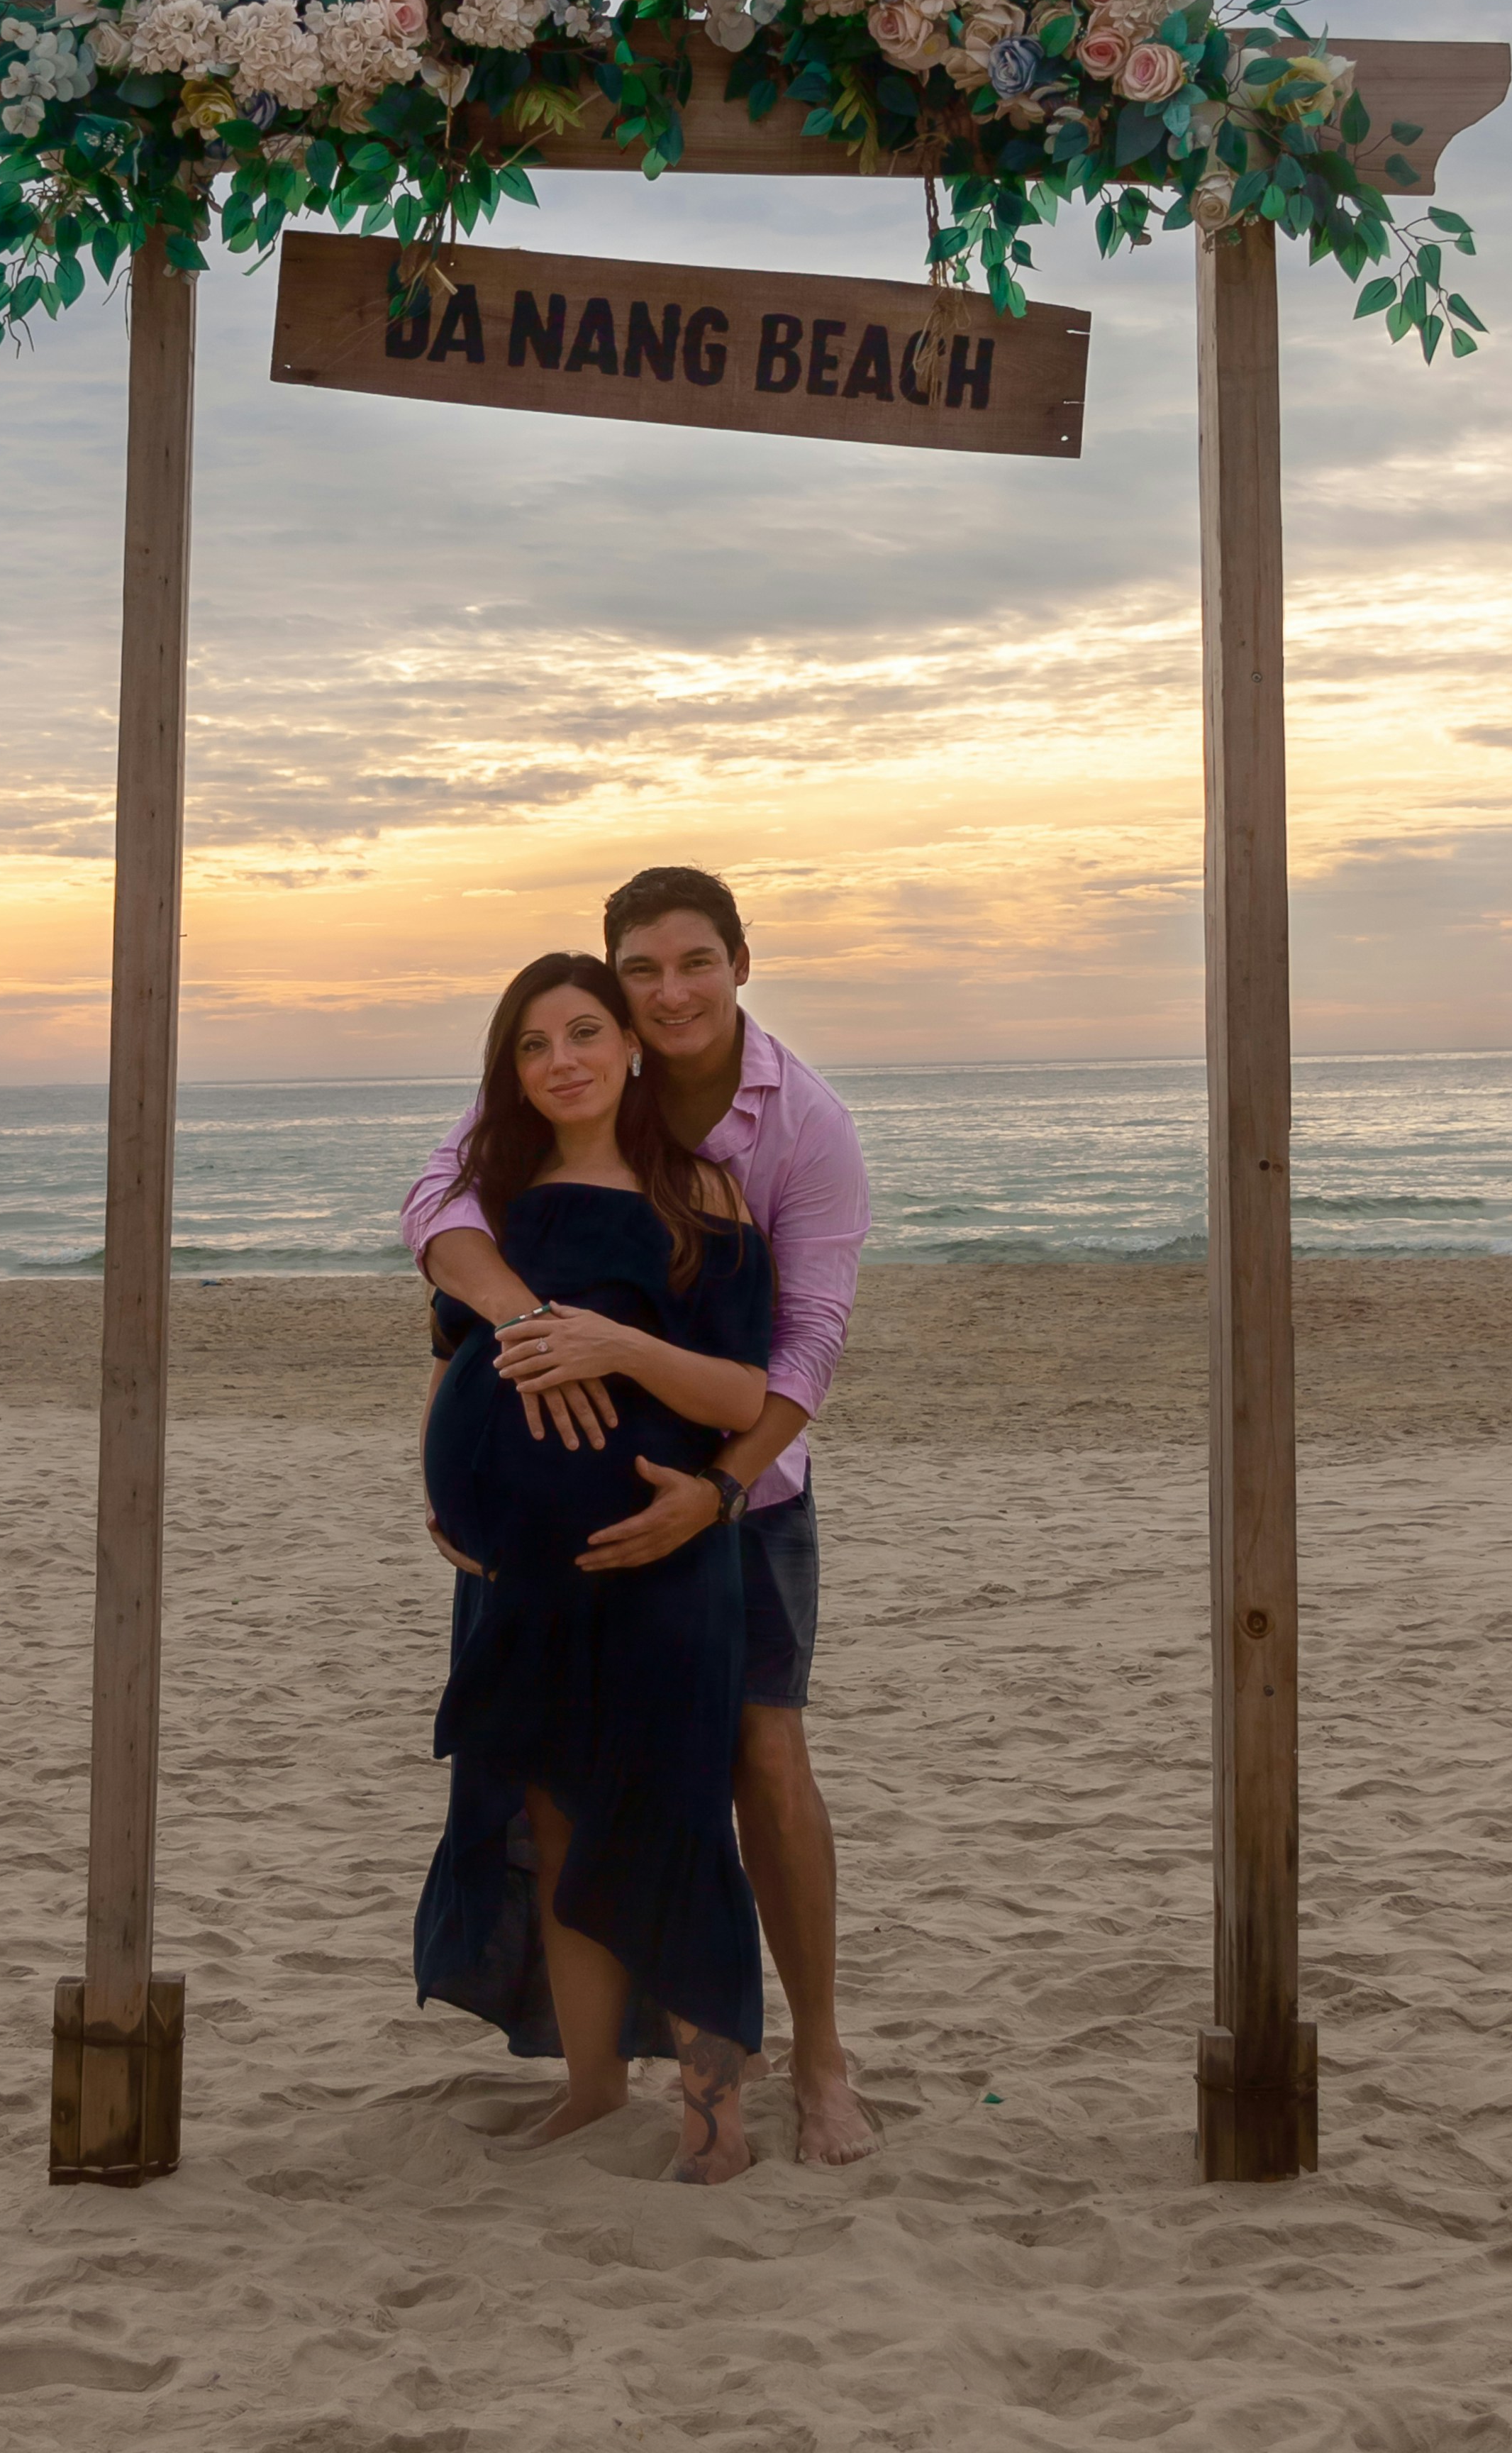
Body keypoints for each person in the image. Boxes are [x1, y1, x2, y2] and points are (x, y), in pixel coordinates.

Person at [403, 868, 878, 2166]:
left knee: (759, 1759)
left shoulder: (797, 1128)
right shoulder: (554, 1092)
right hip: (543, 1547)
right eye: (643, 972)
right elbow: (436, 1213)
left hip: (741, 1494)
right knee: (550, 1791)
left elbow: (804, 1345)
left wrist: (717, 1495)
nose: (668, 993)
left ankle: (819, 2058)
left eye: (694, 964)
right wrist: (493, 1410)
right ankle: (594, 2071)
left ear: (739, 965)